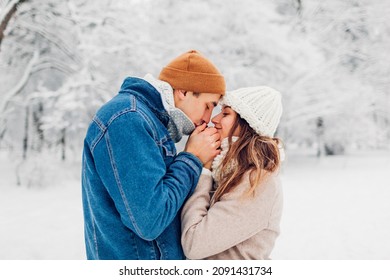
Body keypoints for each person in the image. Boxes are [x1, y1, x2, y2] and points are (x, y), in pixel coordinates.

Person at [81, 50, 226, 259]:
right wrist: (191, 158)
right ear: (183, 91)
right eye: (207, 106)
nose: (207, 119)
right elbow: (150, 220)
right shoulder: (127, 119)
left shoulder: (149, 122)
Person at [181, 86, 284, 260]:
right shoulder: (226, 170)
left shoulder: (257, 182)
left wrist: (203, 172)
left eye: (226, 114)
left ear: (247, 124)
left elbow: (194, 244)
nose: (214, 119)